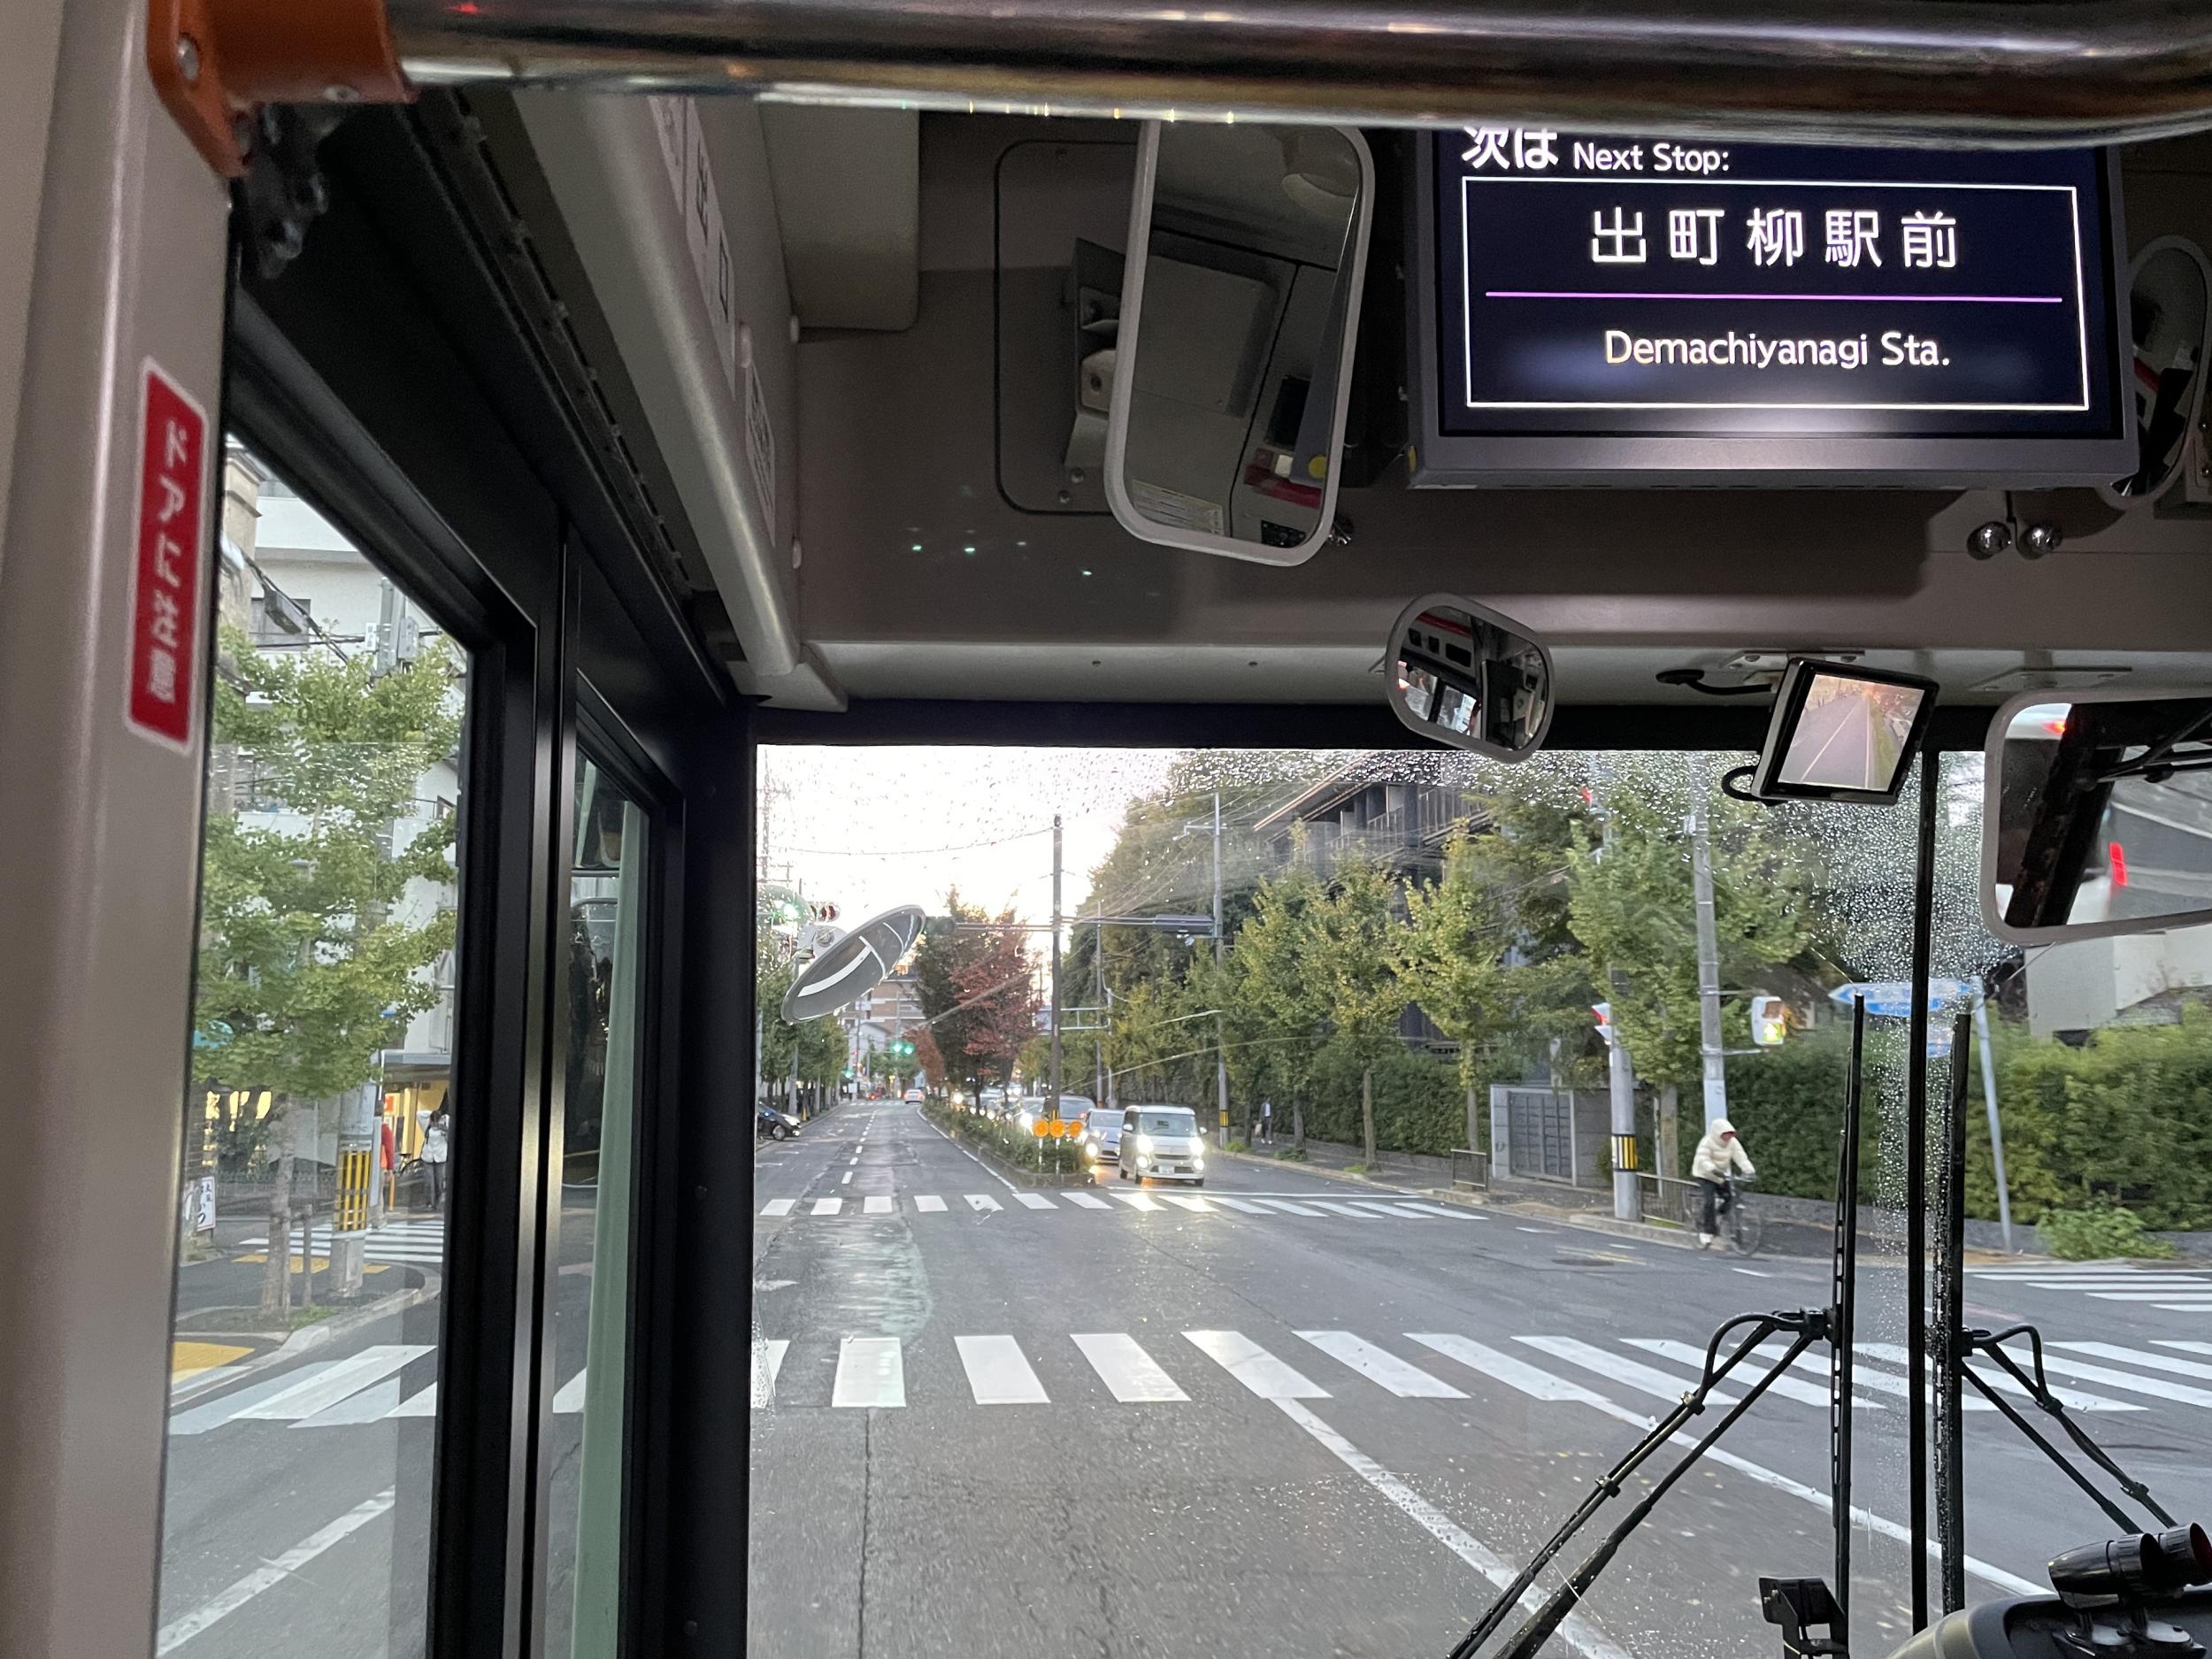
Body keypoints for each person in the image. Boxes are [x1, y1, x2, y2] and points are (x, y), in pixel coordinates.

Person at [1691, 1117, 1755, 1248]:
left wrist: (1749, 1171)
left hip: (1721, 1175)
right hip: (1705, 1175)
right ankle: (1707, 1232)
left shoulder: (1733, 1143)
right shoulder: (1706, 1142)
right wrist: (1712, 1169)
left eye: (1730, 1134)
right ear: (1717, 1133)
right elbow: (1703, 1158)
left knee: (1730, 1198)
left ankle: (1717, 1216)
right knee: (1709, 1201)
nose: (1728, 1137)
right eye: (1725, 1134)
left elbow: (1741, 1157)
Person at [420, 1107, 450, 1210]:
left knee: (439, 1181)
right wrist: (432, 1113)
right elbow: (419, 1114)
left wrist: (443, 1119)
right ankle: (430, 1203)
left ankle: (438, 1202)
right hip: (428, 1157)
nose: (435, 1124)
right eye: (433, 1122)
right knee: (429, 1182)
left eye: (436, 1121)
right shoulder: (427, 1127)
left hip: (441, 1158)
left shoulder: (445, 1128)